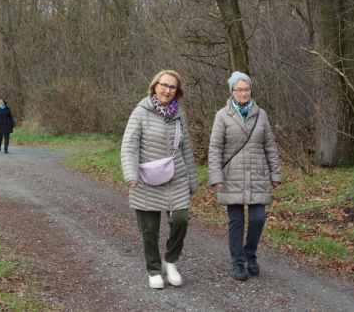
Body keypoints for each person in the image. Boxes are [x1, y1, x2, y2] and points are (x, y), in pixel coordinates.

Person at [121, 70, 198, 289]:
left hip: (177, 176)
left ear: (177, 91)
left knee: (181, 219)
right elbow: (129, 147)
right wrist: (131, 176)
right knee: (149, 228)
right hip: (146, 177)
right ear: (155, 86)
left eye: (172, 87)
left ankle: (170, 261)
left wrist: (193, 181)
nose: (167, 90)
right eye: (163, 85)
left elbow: (186, 148)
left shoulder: (179, 114)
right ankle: (154, 269)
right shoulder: (141, 112)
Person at [208, 71, 282, 281]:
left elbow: (270, 146)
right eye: (238, 89)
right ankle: (238, 263)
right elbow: (215, 148)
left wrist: (275, 173)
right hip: (232, 176)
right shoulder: (222, 115)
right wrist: (216, 176)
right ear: (232, 91)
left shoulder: (262, 114)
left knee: (258, 218)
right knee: (236, 222)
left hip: (258, 175)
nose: (243, 93)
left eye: (246, 89)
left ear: (251, 90)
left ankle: (250, 255)